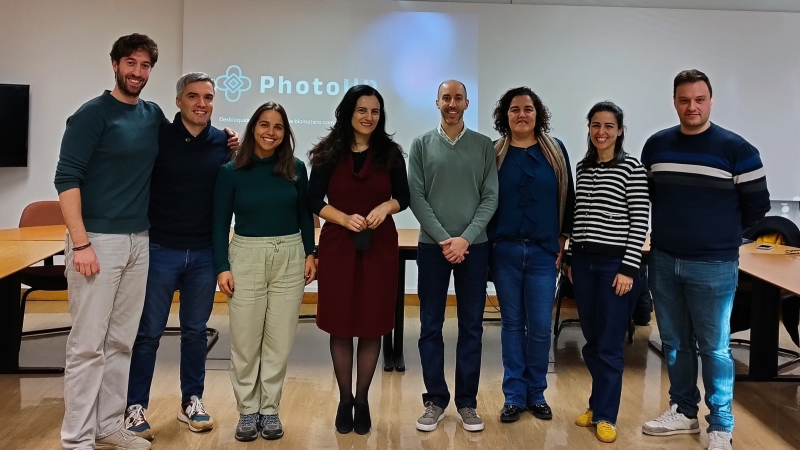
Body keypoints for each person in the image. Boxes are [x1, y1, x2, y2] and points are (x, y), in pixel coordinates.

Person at [640, 70, 770, 450]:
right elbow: (652, 195)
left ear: (711, 101)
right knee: (675, 343)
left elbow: (757, 208)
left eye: (699, 99)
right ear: (674, 102)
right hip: (664, 260)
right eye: (684, 100)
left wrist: (717, 234)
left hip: (714, 266)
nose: (692, 107)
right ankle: (683, 411)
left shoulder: (738, 150)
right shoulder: (656, 147)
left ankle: (721, 426)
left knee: (715, 348)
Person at [54, 33, 163, 450]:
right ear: (115, 64)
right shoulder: (91, 115)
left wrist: (226, 140)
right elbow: (67, 179)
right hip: (97, 241)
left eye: (145, 65)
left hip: (139, 240)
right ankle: (77, 439)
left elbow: (184, 145)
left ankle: (107, 425)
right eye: (130, 63)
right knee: (87, 346)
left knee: (120, 341)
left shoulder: (151, 115)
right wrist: (81, 243)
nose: (137, 72)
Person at [124, 72, 229, 440]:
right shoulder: (158, 136)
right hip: (160, 249)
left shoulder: (224, 143)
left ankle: (192, 401)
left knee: (196, 332)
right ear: (179, 101)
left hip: (204, 252)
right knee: (148, 333)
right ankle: (135, 407)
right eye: (193, 96)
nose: (201, 103)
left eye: (208, 97)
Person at [307, 85, 409, 435]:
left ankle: (362, 400)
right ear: (348, 113)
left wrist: (386, 207)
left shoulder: (390, 153)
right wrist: (341, 217)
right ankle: (344, 399)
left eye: (375, 111)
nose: (369, 117)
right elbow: (312, 200)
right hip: (339, 245)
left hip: (379, 246)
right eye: (362, 110)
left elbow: (404, 196)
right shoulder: (327, 152)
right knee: (340, 323)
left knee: (372, 323)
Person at [213, 102, 316, 442]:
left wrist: (311, 252)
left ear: (285, 133)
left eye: (278, 127)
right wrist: (222, 267)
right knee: (245, 342)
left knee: (279, 341)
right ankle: (247, 411)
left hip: (290, 255)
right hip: (246, 258)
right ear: (253, 128)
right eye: (264, 125)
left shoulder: (295, 168)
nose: (271, 132)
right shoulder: (231, 171)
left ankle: (269, 409)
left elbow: (304, 215)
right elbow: (219, 223)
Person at [409, 80, 498, 433]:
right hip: (433, 247)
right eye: (446, 98)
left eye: (458, 98)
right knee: (430, 325)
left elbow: (490, 197)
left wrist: (465, 239)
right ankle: (434, 400)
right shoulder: (421, 145)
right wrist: (446, 239)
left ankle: (466, 403)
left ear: (466, 103)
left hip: (474, 248)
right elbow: (416, 197)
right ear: (437, 103)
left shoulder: (483, 145)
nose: (452, 103)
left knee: (471, 327)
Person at [486, 86, 574, 424]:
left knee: (539, 327)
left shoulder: (556, 151)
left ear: (538, 114)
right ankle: (513, 396)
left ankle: (536, 394)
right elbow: (485, 201)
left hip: (543, 253)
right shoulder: (494, 153)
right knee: (511, 325)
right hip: (505, 251)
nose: (522, 115)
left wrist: (563, 239)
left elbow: (569, 197)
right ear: (505, 115)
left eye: (528, 109)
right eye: (514, 109)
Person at [563, 101, 649, 443]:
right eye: (596, 125)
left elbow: (640, 221)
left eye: (609, 126)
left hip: (616, 268)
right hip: (583, 265)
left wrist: (629, 268)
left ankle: (606, 415)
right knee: (593, 341)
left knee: (610, 345)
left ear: (620, 131)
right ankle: (596, 403)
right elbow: (577, 217)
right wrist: (570, 259)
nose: (602, 132)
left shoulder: (632, 168)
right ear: (589, 128)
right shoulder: (583, 167)